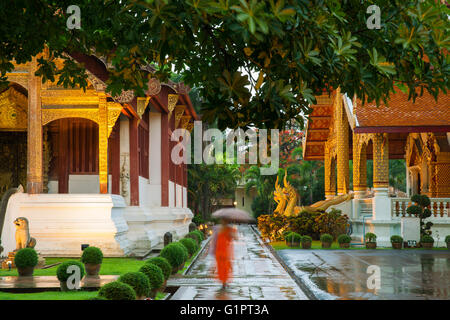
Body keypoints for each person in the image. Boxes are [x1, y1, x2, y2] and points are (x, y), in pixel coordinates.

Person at [211, 218, 237, 290]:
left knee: (225, 267)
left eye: (224, 221)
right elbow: (214, 240)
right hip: (219, 251)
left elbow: (235, 238)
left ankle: (224, 282)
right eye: (222, 220)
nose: (223, 222)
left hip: (225, 251)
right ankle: (223, 282)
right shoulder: (217, 228)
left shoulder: (229, 229)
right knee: (221, 267)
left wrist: (232, 234)